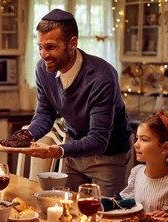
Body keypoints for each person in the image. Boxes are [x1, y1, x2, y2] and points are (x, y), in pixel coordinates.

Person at [14, 9, 132, 196]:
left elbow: (99, 140)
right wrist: (26, 135)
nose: (43, 55)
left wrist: (59, 150)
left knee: (107, 213)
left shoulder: (102, 76)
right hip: (74, 150)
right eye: (40, 47)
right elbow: (44, 114)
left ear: (72, 43)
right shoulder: (43, 70)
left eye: (51, 47)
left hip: (108, 155)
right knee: (71, 209)